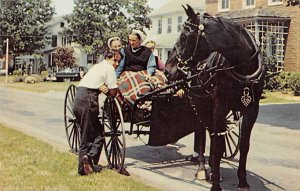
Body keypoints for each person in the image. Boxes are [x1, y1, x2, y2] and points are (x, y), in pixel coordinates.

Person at [72, 49, 120, 176]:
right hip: (89, 100)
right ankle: (84, 167)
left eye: (118, 62)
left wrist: (104, 87)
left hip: (78, 98)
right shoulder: (109, 69)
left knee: (98, 133)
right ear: (109, 58)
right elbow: (114, 93)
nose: (116, 64)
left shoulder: (97, 66)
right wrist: (107, 90)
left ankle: (90, 162)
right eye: (115, 60)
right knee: (87, 136)